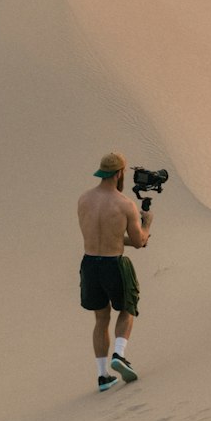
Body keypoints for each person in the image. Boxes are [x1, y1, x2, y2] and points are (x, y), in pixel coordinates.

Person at [77, 152, 153, 392]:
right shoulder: (125, 204)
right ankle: (119, 355)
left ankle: (102, 376)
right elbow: (140, 241)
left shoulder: (84, 200)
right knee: (127, 308)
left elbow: (102, 235)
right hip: (113, 265)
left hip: (90, 264)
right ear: (120, 173)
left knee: (101, 318)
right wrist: (147, 223)